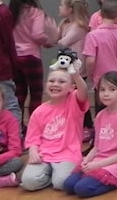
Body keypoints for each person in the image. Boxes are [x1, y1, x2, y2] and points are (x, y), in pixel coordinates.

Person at [63, 71, 117, 197]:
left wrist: (97, 165)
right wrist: (87, 160)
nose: (106, 94)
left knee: (82, 189)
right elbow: (97, 146)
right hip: (100, 160)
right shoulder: (100, 116)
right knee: (69, 185)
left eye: (112, 89)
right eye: (102, 90)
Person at [20, 60, 90, 191]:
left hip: (68, 154)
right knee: (29, 182)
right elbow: (33, 138)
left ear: (71, 87)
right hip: (44, 155)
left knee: (61, 183)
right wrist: (33, 151)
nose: (55, 84)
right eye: (51, 81)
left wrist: (75, 75)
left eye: (61, 82)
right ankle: (49, 173)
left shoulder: (73, 102)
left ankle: (58, 174)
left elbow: (84, 92)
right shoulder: (39, 111)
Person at [82, 0, 117, 115]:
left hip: (100, 80)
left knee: (102, 111)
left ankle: (103, 132)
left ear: (100, 14)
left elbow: (90, 61)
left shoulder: (93, 36)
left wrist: (90, 74)